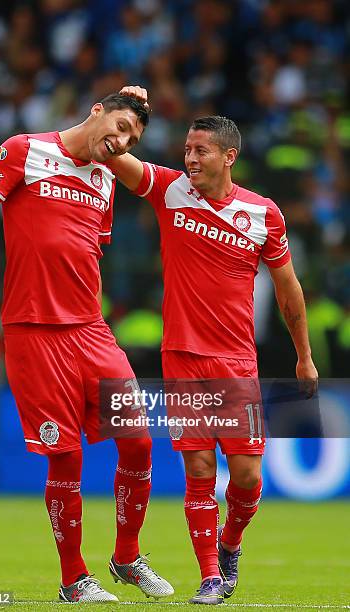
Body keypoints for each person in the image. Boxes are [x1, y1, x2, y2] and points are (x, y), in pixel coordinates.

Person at [0, 93, 174, 603]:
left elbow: (83, 251)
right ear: (96, 111)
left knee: (139, 439)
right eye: (119, 127)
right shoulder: (22, 150)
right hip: (34, 330)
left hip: (91, 331)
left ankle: (126, 558)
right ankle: (74, 578)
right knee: (65, 455)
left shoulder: (105, 179)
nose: (121, 142)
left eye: (132, 140)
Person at [107, 86, 318, 605]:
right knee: (200, 470)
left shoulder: (263, 214)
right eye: (186, 150)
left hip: (236, 359)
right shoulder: (169, 189)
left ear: (229, 156)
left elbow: (289, 290)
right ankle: (210, 578)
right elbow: (113, 152)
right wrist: (122, 109)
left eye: (201, 151)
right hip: (182, 356)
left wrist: (305, 356)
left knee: (245, 478)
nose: (190, 159)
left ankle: (230, 543)